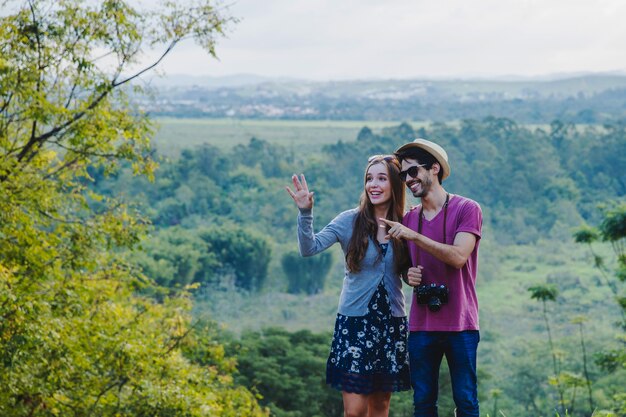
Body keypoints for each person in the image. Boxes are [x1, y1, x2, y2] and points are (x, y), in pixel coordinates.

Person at [285, 155, 412, 417]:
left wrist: (414, 275)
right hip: (355, 325)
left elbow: (408, 270)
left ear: (396, 184)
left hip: (391, 324)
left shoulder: (407, 223)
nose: (373, 185)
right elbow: (309, 248)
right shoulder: (349, 221)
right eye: (369, 178)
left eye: (381, 178)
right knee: (354, 411)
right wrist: (305, 212)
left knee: (380, 407)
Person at [380, 138, 483, 417]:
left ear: (434, 168)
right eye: (404, 175)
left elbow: (458, 257)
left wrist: (414, 236)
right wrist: (408, 274)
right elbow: (403, 268)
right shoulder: (409, 218)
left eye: (413, 171)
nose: (408, 180)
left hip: (461, 322)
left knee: (466, 400)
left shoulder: (466, 209)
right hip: (422, 324)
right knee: (423, 402)